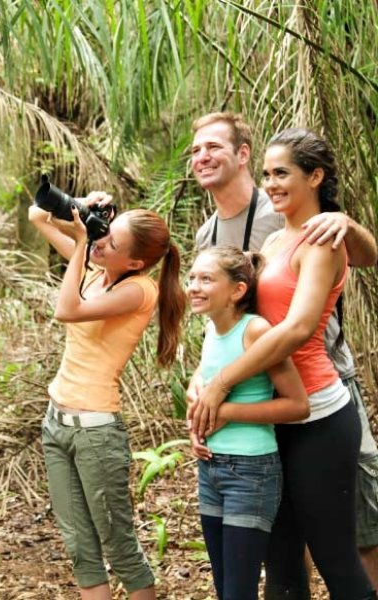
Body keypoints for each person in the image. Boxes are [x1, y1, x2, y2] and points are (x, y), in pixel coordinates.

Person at [189, 111, 378, 589]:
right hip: (271, 419)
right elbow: (237, 320)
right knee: (282, 564)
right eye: (268, 173)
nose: (271, 184)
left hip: (317, 413)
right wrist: (202, 383)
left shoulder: (322, 240)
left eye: (283, 173)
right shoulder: (274, 239)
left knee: (335, 558)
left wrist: (223, 384)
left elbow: (295, 329)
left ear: (314, 177)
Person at [28, 198, 185, 600]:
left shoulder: (139, 290)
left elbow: (67, 309)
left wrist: (81, 244)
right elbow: (36, 215)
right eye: (104, 233)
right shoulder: (98, 269)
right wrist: (81, 207)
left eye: (111, 243)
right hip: (56, 425)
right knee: (81, 549)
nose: (101, 244)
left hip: (96, 433)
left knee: (120, 548)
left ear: (134, 262)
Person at [187, 246, 308, 599]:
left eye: (206, 279)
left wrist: (223, 413)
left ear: (237, 290)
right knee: (225, 588)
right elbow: (204, 384)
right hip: (210, 469)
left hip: (250, 473)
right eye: (192, 277)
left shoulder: (255, 330)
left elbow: (297, 405)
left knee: (239, 592)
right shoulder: (211, 328)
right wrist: (196, 423)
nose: (194, 286)